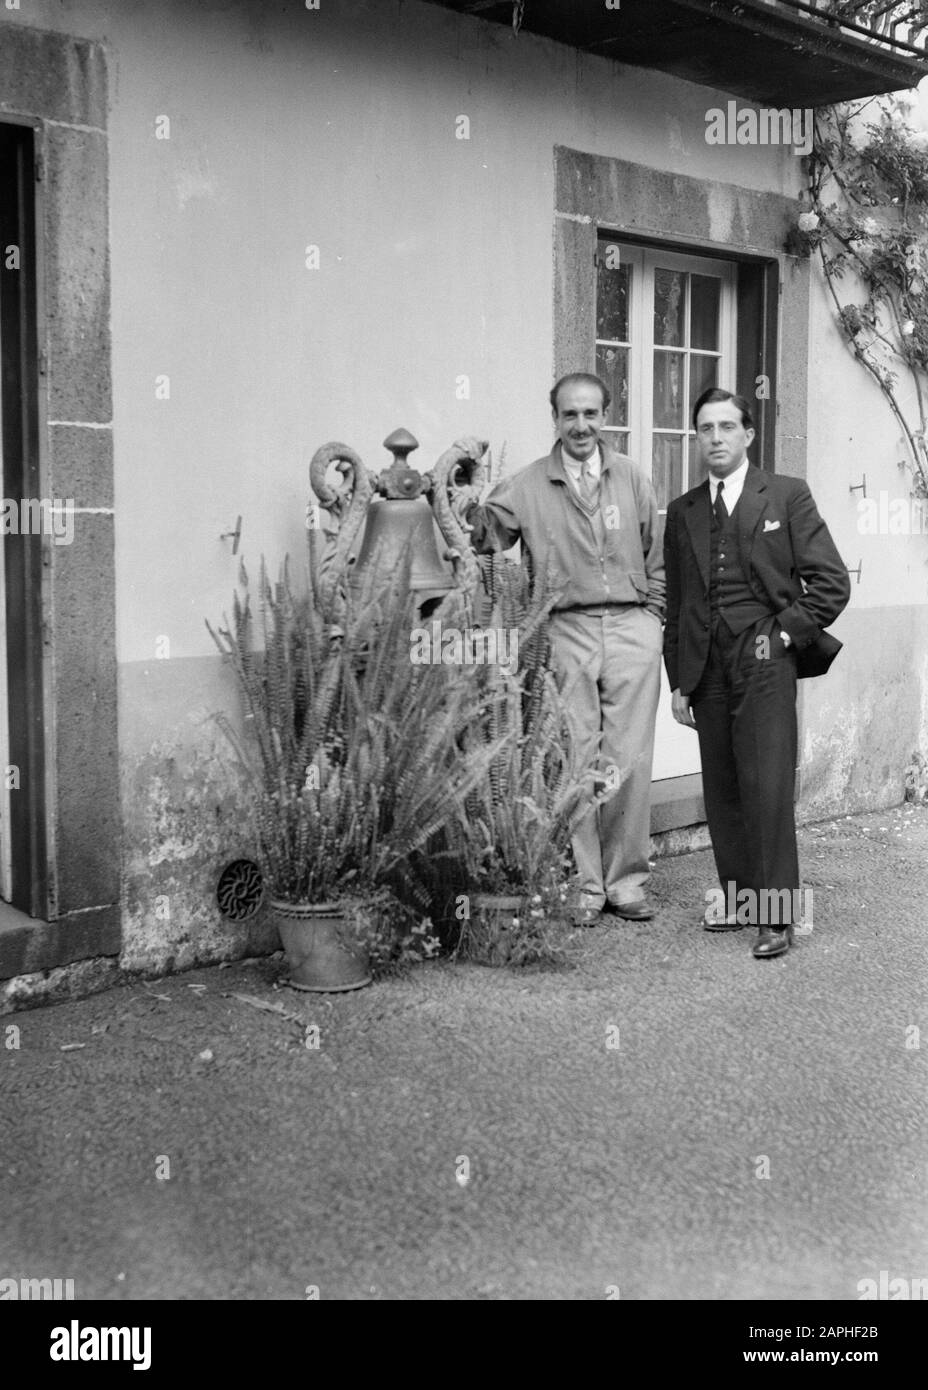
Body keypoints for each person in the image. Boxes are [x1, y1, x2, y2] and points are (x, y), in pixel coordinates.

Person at [464, 372, 665, 926]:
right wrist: (461, 492)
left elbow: (659, 557)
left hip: (631, 627)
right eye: (569, 415)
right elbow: (483, 537)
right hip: (565, 631)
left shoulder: (631, 478)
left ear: (606, 417)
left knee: (629, 759)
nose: (581, 425)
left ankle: (627, 882)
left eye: (591, 414)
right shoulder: (528, 485)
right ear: (554, 420)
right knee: (577, 760)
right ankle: (585, 887)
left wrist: (653, 618)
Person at [663, 387, 851, 958]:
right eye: (705, 428)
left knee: (766, 786)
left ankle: (777, 915)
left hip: (767, 660)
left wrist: (786, 632)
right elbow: (677, 604)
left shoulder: (787, 496)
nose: (715, 438)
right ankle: (742, 899)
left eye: (726, 427)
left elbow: (832, 582)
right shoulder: (683, 511)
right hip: (707, 665)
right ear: (697, 438)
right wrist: (678, 680)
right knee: (722, 788)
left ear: (748, 435)